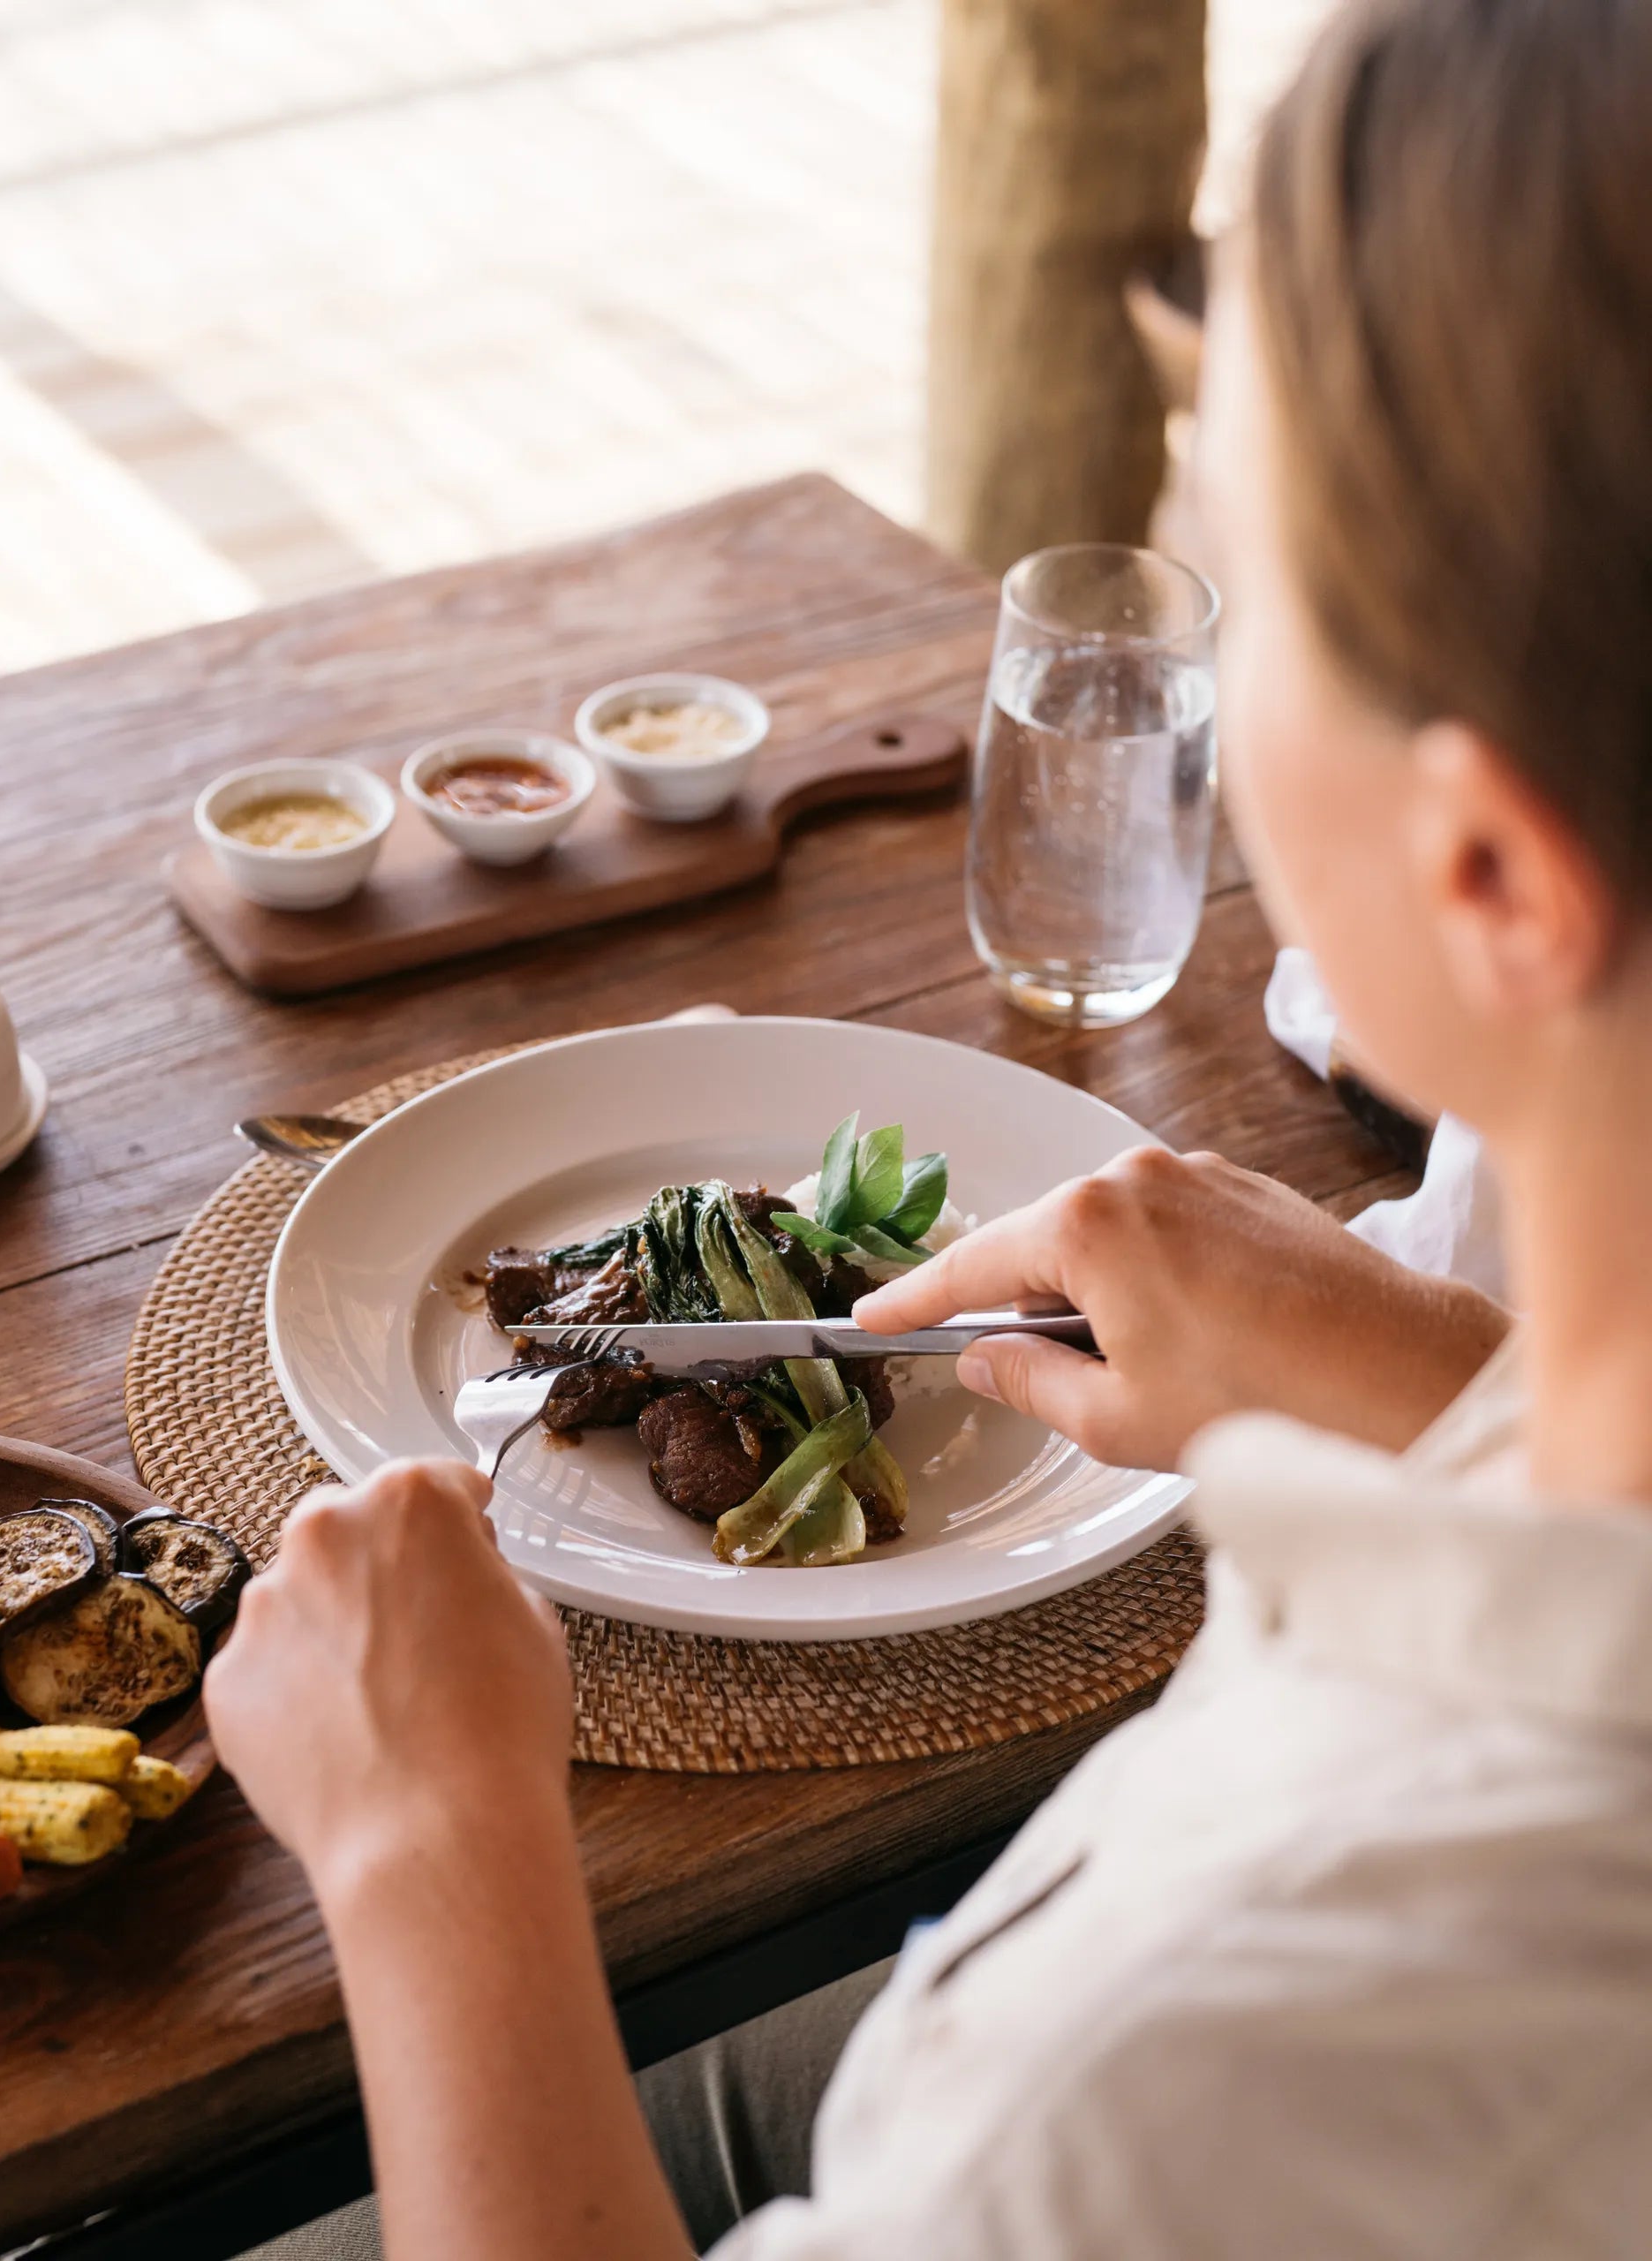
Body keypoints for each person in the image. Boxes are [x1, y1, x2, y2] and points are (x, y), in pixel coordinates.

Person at [209, 0, 1652, 2250]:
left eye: (1242, 591)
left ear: (1487, 878)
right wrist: (1402, 1359)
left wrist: (427, 1848)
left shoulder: (1176, 2072)